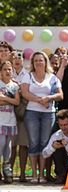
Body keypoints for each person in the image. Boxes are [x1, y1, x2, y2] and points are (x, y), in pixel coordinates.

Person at [21, 51, 63, 184]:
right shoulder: (27, 76)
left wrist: (48, 98)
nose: (39, 62)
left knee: (45, 143)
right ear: (32, 63)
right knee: (33, 143)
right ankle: (34, 174)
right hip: (32, 113)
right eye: (36, 60)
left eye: (41, 60)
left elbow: (60, 95)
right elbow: (25, 93)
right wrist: (40, 100)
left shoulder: (53, 78)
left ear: (46, 62)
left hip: (48, 114)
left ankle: (43, 174)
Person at [10, 50, 29, 182]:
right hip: (8, 111)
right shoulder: (6, 72)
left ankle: (22, 174)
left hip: (24, 112)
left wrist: (18, 90)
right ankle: (8, 173)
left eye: (20, 57)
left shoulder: (28, 74)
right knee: (11, 145)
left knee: (23, 144)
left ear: (23, 60)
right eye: (15, 57)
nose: (17, 59)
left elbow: (28, 92)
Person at [0, 61, 20, 184]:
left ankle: (7, 167)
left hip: (11, 119)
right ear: (1, 72)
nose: (8, 71)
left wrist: (4, 98)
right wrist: (11, 100)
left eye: (9, 69)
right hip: (0, 120)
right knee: (1, 144)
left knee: (8, 145)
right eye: (5, 69)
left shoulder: (15, 86)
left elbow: (17, 102)